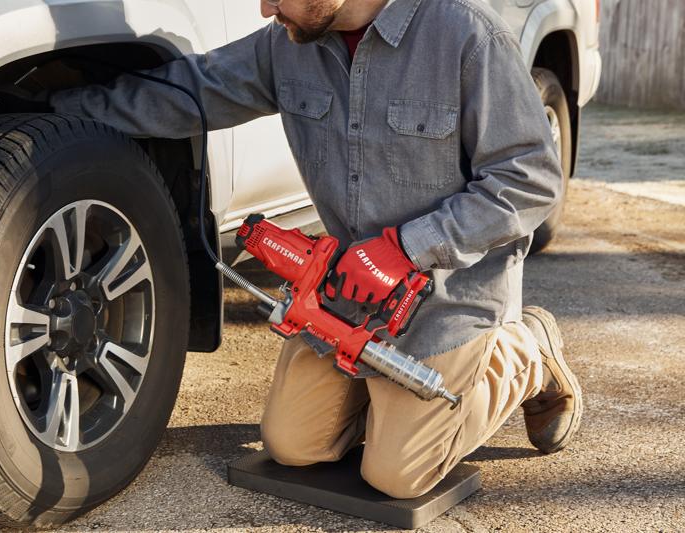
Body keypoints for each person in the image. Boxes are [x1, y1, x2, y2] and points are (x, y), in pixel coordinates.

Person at [49, 0, 583, 499]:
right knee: (293, 447)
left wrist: (408, 249)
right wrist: (58, 110)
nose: (265, 8)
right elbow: (193, 87)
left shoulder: (467, 34)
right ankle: (386, 398)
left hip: (451, 296)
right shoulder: (289, 43)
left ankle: (527, 351)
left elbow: (530, 180)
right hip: (346, 294)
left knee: (398, 474)